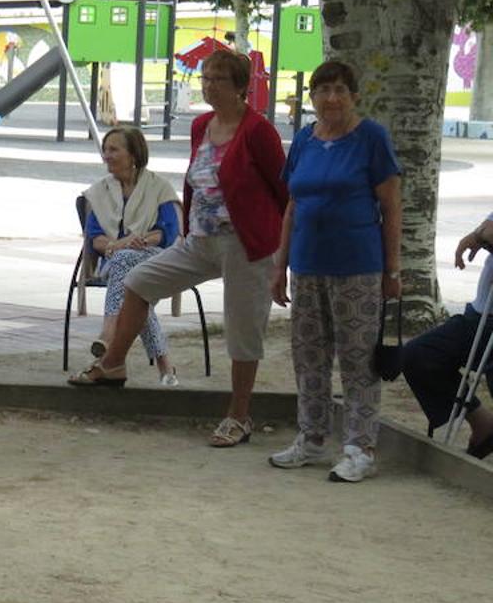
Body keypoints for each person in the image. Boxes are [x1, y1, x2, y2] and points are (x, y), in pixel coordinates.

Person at [69, 50, 288, 448]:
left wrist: (282, 256)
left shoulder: (258, 131)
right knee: (139, 280)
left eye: (220, 79)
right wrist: (187, 228)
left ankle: (238, 417)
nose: (210, 86)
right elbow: (196, 181)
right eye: (206, 78)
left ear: (241, 87)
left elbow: (283, 191)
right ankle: (114, 363)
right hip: (200, 239)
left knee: (242, 330)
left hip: (247, 243)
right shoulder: (202, 125)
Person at [269, 60, 402, 482]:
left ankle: (360, 447)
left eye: (340, 90)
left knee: (359, 360)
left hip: (358, 268)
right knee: (309, 358)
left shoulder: (371, 139)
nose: (331, 99)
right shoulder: (305, 139)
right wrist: (280, 264)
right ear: (311, 98)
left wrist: (393, 270)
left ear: (354, 95)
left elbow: (392, 206)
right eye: (322, 90)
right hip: (307, 265)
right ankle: (311, 438)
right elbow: (292, 205)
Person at [69, 127, 181, 386]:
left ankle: (108, 336)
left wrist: (139, 241)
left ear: (133, 155)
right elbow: (95, 238)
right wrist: (120, 245)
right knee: (132, 283)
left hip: (156, 259)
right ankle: (166, 368)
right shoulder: (98, 192)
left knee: (133, 279)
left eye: (114, 149)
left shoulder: (158, 188)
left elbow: (167, 233)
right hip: (115, 258)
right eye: (105, 149)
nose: (106, 155)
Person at [401, 214, 493, 460]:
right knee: (420, 355)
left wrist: (482, 235)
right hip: (481, 314)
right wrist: (478, 235)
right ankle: (484, 426)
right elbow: (487, 229)